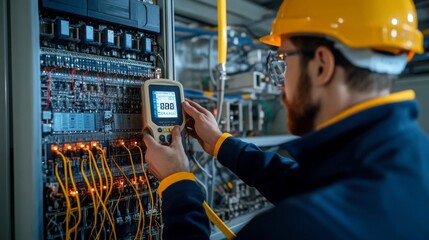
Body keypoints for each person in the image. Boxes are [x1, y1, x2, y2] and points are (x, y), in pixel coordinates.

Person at [143, 0, 429, 239]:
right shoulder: (413, 158)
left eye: (284, 61)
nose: (281, 84)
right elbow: (304, 183)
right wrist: (220, 144)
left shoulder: (293, 228)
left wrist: (177, 182)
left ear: (321, 65)